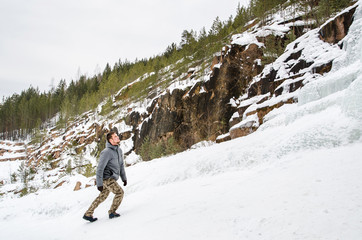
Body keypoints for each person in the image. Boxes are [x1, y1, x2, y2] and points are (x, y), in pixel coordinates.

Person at [83, 131, 127, 222]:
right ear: (111, 140)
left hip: (112, 177)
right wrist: (99, 183)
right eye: (115, 136)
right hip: (106, 178)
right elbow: (100, 168)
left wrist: (124, 178)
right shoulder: (106, 152)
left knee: (102, 196)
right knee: (119, 192)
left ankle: (88, 213)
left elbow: (121, 165)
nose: (117, 137)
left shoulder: (119, 150)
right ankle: (112, 212)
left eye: (117, 136)